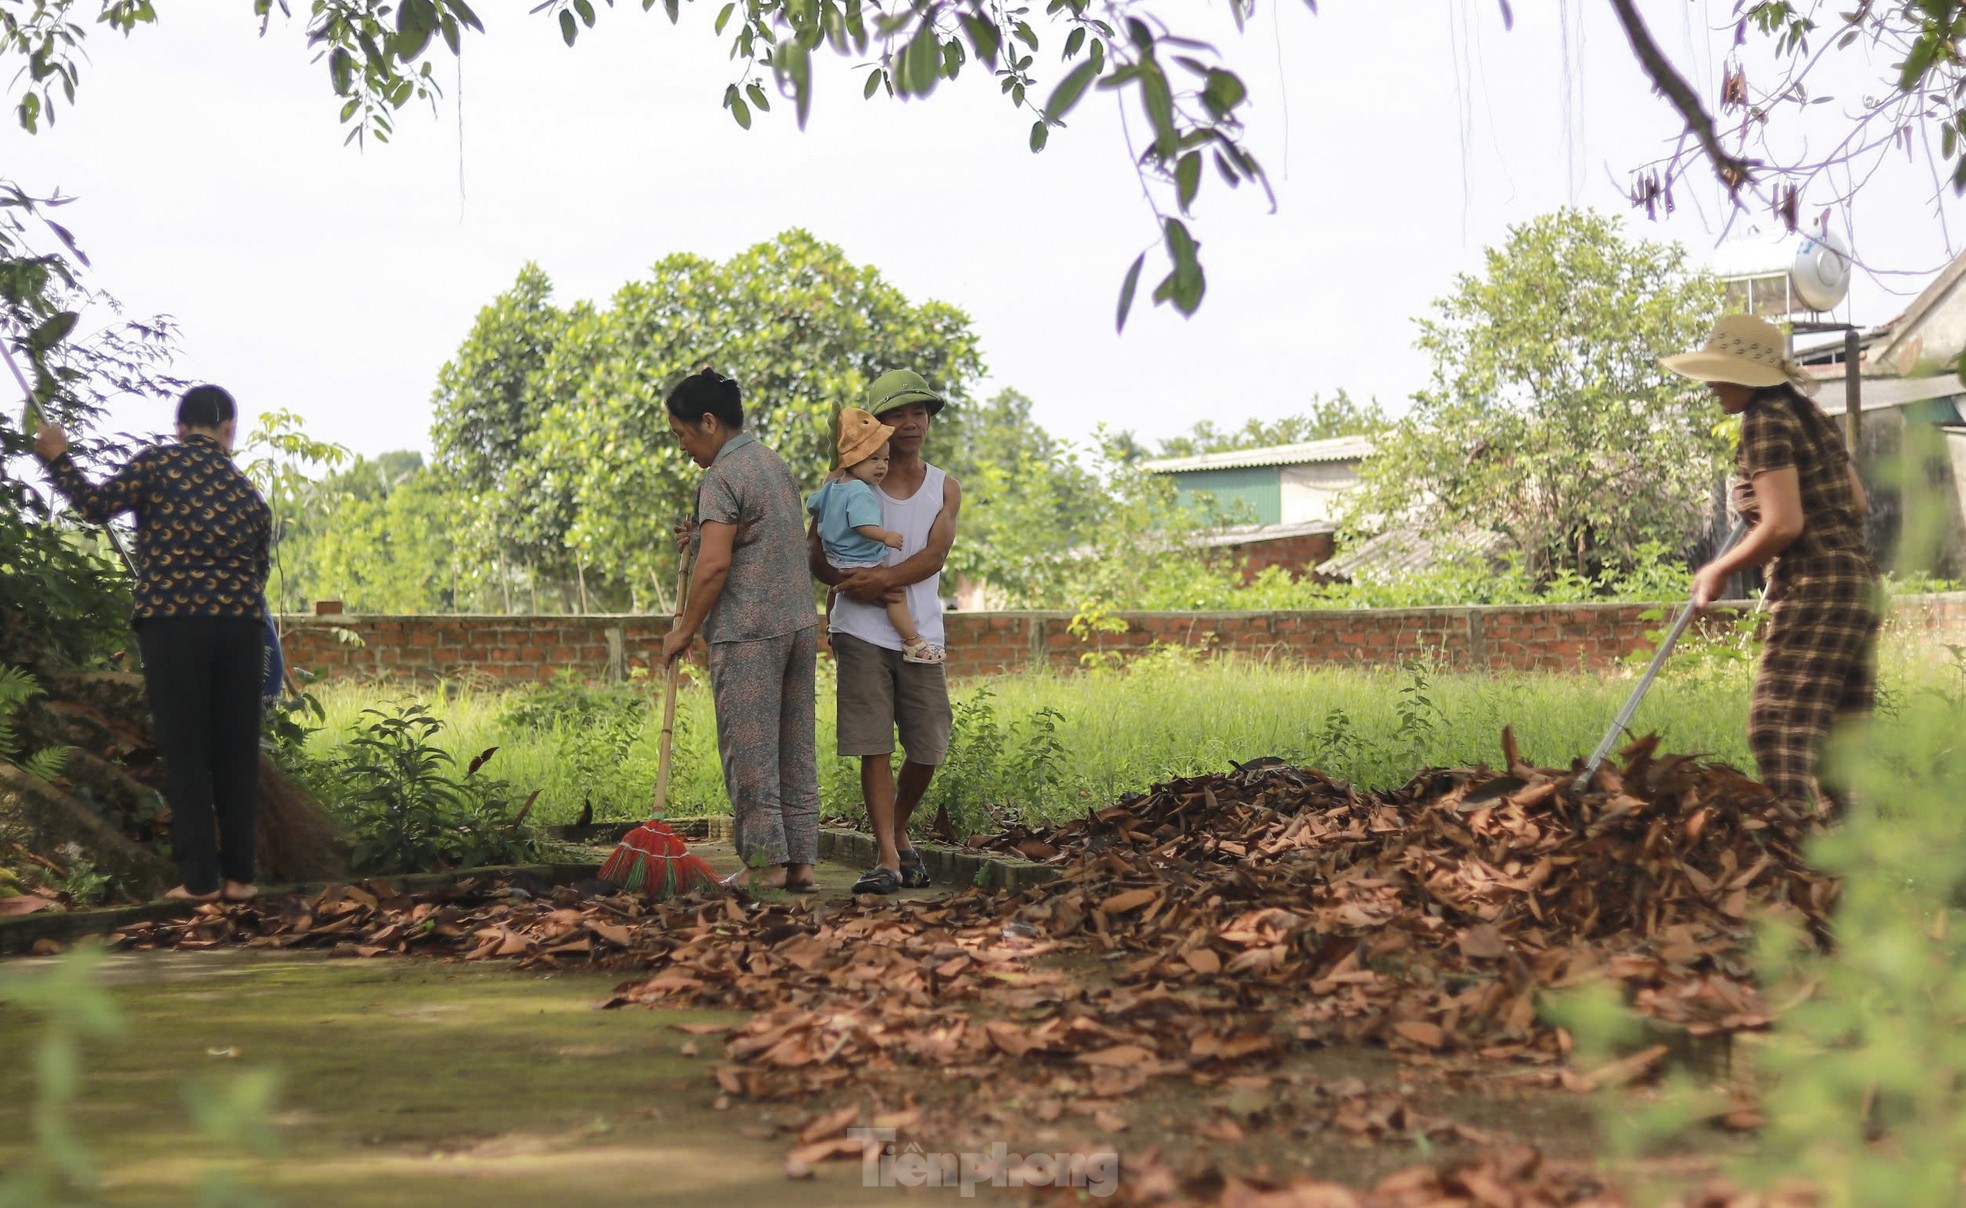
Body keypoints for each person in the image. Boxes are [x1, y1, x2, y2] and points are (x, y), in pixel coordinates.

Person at [33, 385, 272, 903]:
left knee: (185, 748)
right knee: (235, 751)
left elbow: (96, 506)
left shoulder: (157, 466)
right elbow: (258, 574)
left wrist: (58, 458)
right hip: (240, 627)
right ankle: (241, 879)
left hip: (175, 622)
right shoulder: (248, 493)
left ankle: (200, 883)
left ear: (179, 427)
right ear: (229, 430)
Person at [1664, 313, 1880, 817]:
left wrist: (1716, 570)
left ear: (1748, 374)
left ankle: (1795, 858)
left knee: (1776, 727)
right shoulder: (1808, 414)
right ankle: (1855, 870)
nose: (1713, 384)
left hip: (1818, 585)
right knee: (1839, 745)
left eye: (1720, 372)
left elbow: (1784, 525)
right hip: (1857, 582)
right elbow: (1857, 502)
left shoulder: (1764, 420)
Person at [658, 367, 821, 893]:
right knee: (794, 747)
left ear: (708, 422)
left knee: (750, 750)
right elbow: (751, 538)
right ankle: (802, 863)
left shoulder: (721, 477)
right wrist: (701, 536)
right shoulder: (772, 463)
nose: (683, 447)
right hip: (798, 624)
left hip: (749, 630)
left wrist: (683, 630)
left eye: (683, 434)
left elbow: (714, 568)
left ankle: (766, 864)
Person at [808, 369, 960, 895]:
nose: (912, 423)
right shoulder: (841, 484)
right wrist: (847, 583)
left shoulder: (944, 487)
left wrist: (881, 579)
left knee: (929, 744)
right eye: (898, 414)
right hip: (859, 632)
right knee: (873, 746)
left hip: (920, 633)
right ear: (878, 425)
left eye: (919, 412)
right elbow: (816, 553)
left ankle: (896, 828)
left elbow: (935, 556)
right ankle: (889, 858)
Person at [807, 407, 946, 665]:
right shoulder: (861, 492)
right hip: (860, 558)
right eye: (874, 460)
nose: (881, 466)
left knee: (835, 592)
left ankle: (830, 626)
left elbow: (812, 504)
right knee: (894, 593)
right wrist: (885, 536)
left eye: (885, 460)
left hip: (837, 559)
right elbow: (862, 525)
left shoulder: (832, 486)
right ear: (853, 460)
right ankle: (912, 641)